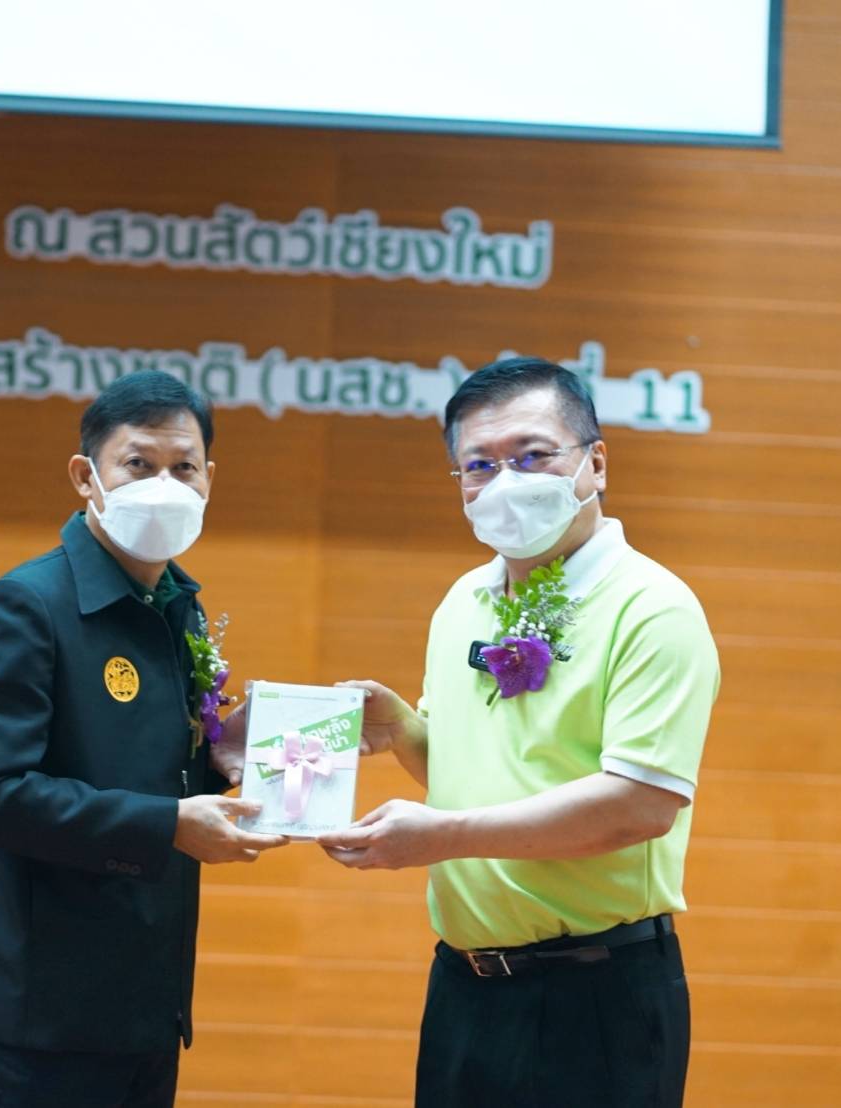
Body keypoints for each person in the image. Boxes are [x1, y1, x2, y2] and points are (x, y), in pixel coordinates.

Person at [320, 357, 719, 1107]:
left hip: (594, 995)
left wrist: (441, 837)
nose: (505, 481)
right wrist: (403, 730)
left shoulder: (651, 607)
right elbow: (473, 774)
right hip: (465, 983)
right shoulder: (464, 599)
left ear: (595, 463)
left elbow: (639, 806)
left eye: (532, 455)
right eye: (479, 465)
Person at [0, 370, 285, 1108]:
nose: (164, 485)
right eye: (138, 464)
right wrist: (167, 825)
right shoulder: (26, 606)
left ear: (210, 479)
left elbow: (148, 772)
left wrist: (223, 757)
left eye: (183, 467)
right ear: (85, 476)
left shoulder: (178, 607)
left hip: (145, 1012)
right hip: (37, 1024)